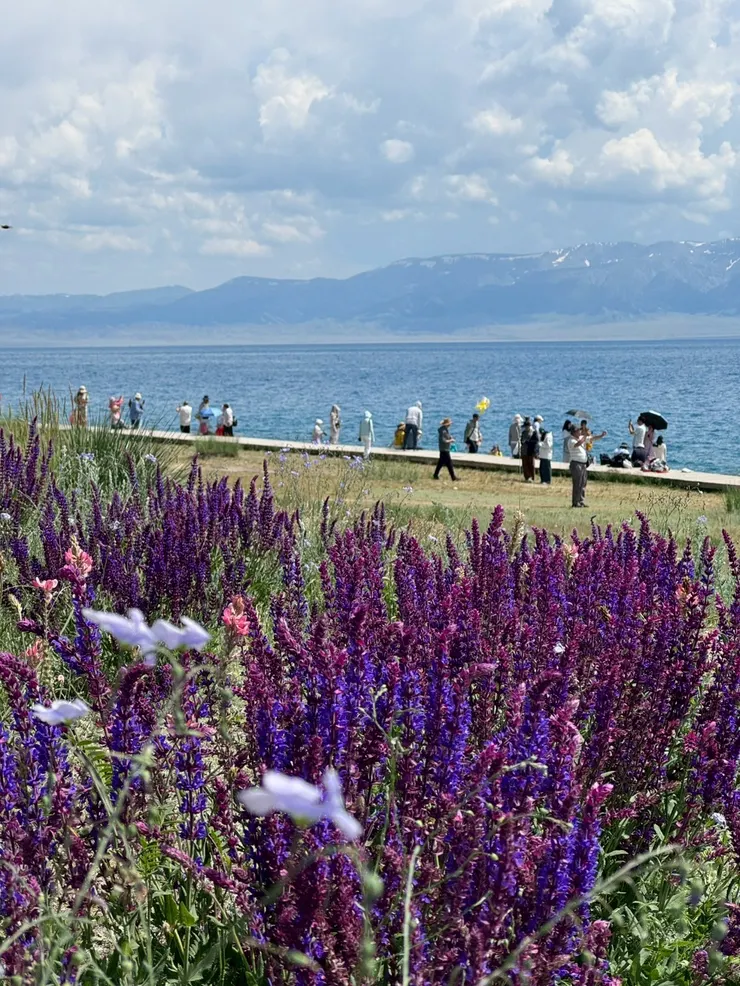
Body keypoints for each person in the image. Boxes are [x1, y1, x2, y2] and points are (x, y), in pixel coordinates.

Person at [567, 424, 589, 508]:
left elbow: (590, 439)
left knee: (583, 483)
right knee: (577, 484)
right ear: (573, 432)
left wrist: (601, 435)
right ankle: (575, 502)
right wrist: (585, 435)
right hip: (576, 464)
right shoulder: (571, 441)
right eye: (578, 431)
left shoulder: (579, 438)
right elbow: (578, 444)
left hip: (583, 464)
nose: (579, 432)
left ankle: (581, 501)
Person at [520, 417, 538, 482]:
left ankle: (532, 477)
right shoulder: (524, 432)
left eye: (527, 426)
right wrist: (523, 441)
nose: (526, 428)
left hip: (530, 451)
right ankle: (527, 477)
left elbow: (535, 441)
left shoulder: (533, 432)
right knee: (525, 464)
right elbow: (521, 440)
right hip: (524, 450)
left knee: (531, 464)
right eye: (525, 427)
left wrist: (528, 441)